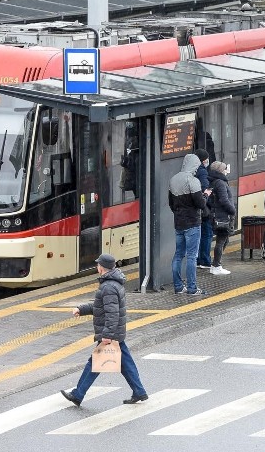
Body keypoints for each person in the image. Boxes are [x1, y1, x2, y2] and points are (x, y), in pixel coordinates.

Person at [61, 253, 148, 406]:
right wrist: (81, 309)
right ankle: (139, 391)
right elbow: (100, 306)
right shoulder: (113, 283)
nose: (97, 267)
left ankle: (78, 394)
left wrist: (107, 335)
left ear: (102, 267)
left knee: (94, 363)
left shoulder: (108, 286)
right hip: (116, 333)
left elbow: (112, 313)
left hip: (111, 334)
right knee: (125, 364)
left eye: (98, 265)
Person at [168, 153, 209, 295]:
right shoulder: (193, 181)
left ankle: (178, 287)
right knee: (192, 256)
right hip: (192, 223)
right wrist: (206, 195)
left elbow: (171, 204)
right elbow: (201, 204)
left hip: (179, 223)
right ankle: (192, 288)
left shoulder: (173, 180)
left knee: (178, 255)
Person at [207, 161, 234, 275]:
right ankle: (216, 266)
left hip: (217, 215)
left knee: (224, 239)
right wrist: (232, 210)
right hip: (222, 216)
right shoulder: (221, 183)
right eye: (224, 169)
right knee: (221, 240)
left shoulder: (213, 181)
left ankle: (216, 264)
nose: (226, 171)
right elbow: (224, 200)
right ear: (220, 171)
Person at [195, 149, 214, 270]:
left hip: (195, 208)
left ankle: (197, 259)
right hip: (204, 208)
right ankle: (205, 260)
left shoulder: (192, 170)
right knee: (207, 234)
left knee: (198, 235)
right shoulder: (202, 171)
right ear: (203, 160)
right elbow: (205, 188)